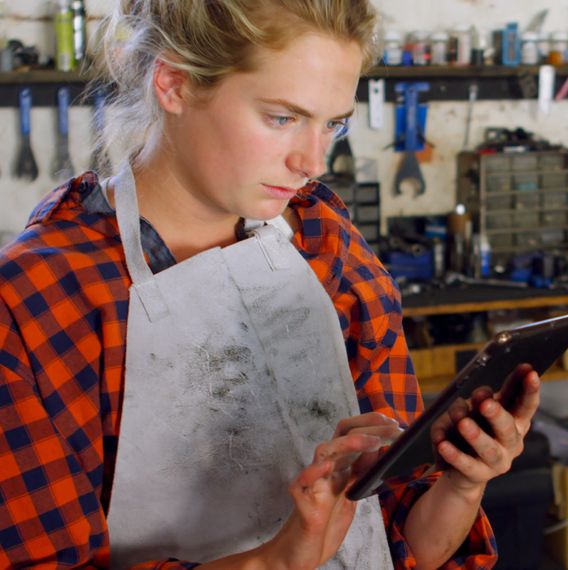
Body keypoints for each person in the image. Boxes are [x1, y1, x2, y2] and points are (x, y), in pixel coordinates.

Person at [0, 1, 540, 568]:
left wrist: (461, 482)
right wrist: (276, 561)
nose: (313, 161)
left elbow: (409, 547)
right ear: (175, 84)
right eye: (283, 118)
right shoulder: (38, 300)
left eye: (333, 123)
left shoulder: (327, 249)